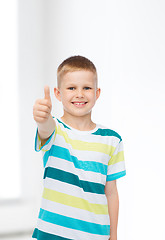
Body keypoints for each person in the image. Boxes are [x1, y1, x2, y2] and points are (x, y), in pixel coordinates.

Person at [32, 55, 126, 240]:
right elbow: (45, 128)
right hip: (52, 234)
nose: (80, 94)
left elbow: (112, 192)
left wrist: (113, 235)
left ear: (97, 93)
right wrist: (42, 118)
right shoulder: (55, 130)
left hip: (95, 235)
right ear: (58, 93)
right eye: (71, 88)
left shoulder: (112, 139)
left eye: (87, 88)